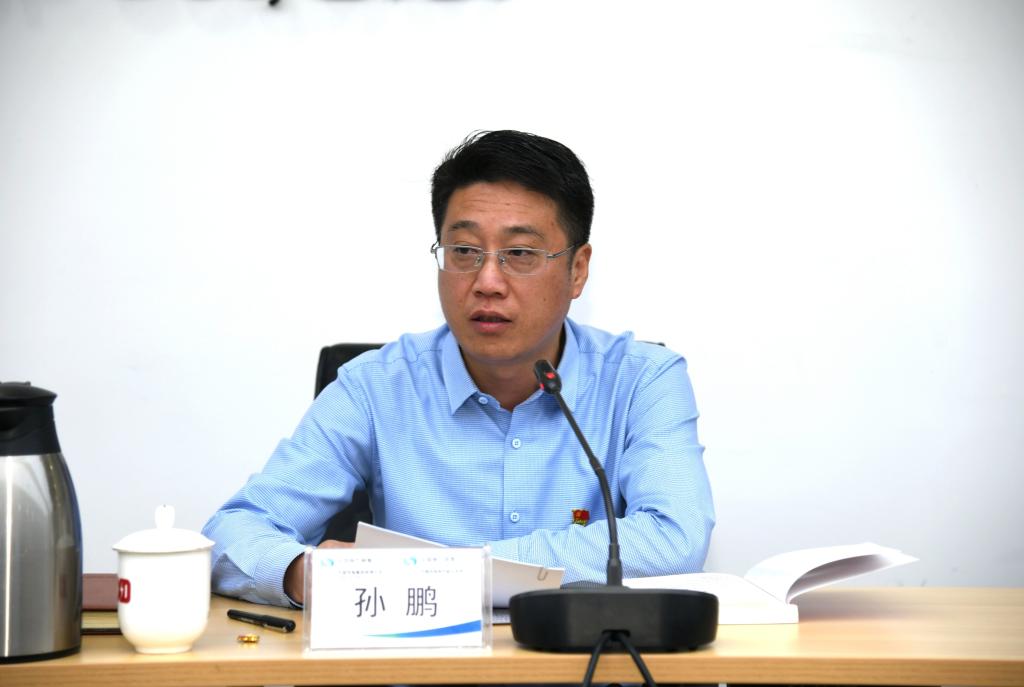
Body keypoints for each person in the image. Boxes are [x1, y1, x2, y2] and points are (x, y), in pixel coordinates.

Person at [202, 130, 715, 607]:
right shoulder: (375, 387)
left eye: (520, 253)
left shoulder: (641, 380)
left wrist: (457, 572)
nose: (487, 281)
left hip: (584, 665)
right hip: (421, 666)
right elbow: (234, 532)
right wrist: (302, 572)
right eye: (464, 251)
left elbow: (674, 537)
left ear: (577, 270)